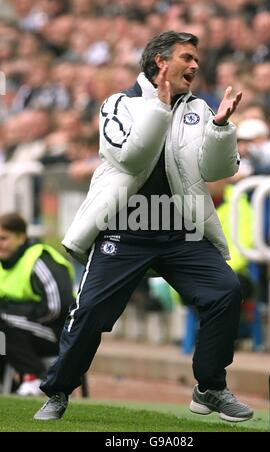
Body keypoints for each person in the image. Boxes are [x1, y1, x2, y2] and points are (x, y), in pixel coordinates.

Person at [34, 31, 253, 422]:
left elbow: (216, 170)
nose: (196, 65)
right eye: (187, 57)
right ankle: (57, 391)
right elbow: (132, 158)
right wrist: (159, 107)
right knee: (91, 313)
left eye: (197, 59)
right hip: (125, 228)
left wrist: (220, 127)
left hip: (180, 230)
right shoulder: (119, 104)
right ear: (160, 62)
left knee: (225, 290)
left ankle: (210, 388)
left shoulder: (198, 109)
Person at [0, 213, 75, 395]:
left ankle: (35, 378)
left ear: (21, 237)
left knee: (3, 326)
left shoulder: (39, 260)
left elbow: (58, 307)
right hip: (21, 330)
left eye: (3, 238)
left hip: (58, 333)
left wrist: (12, 313)